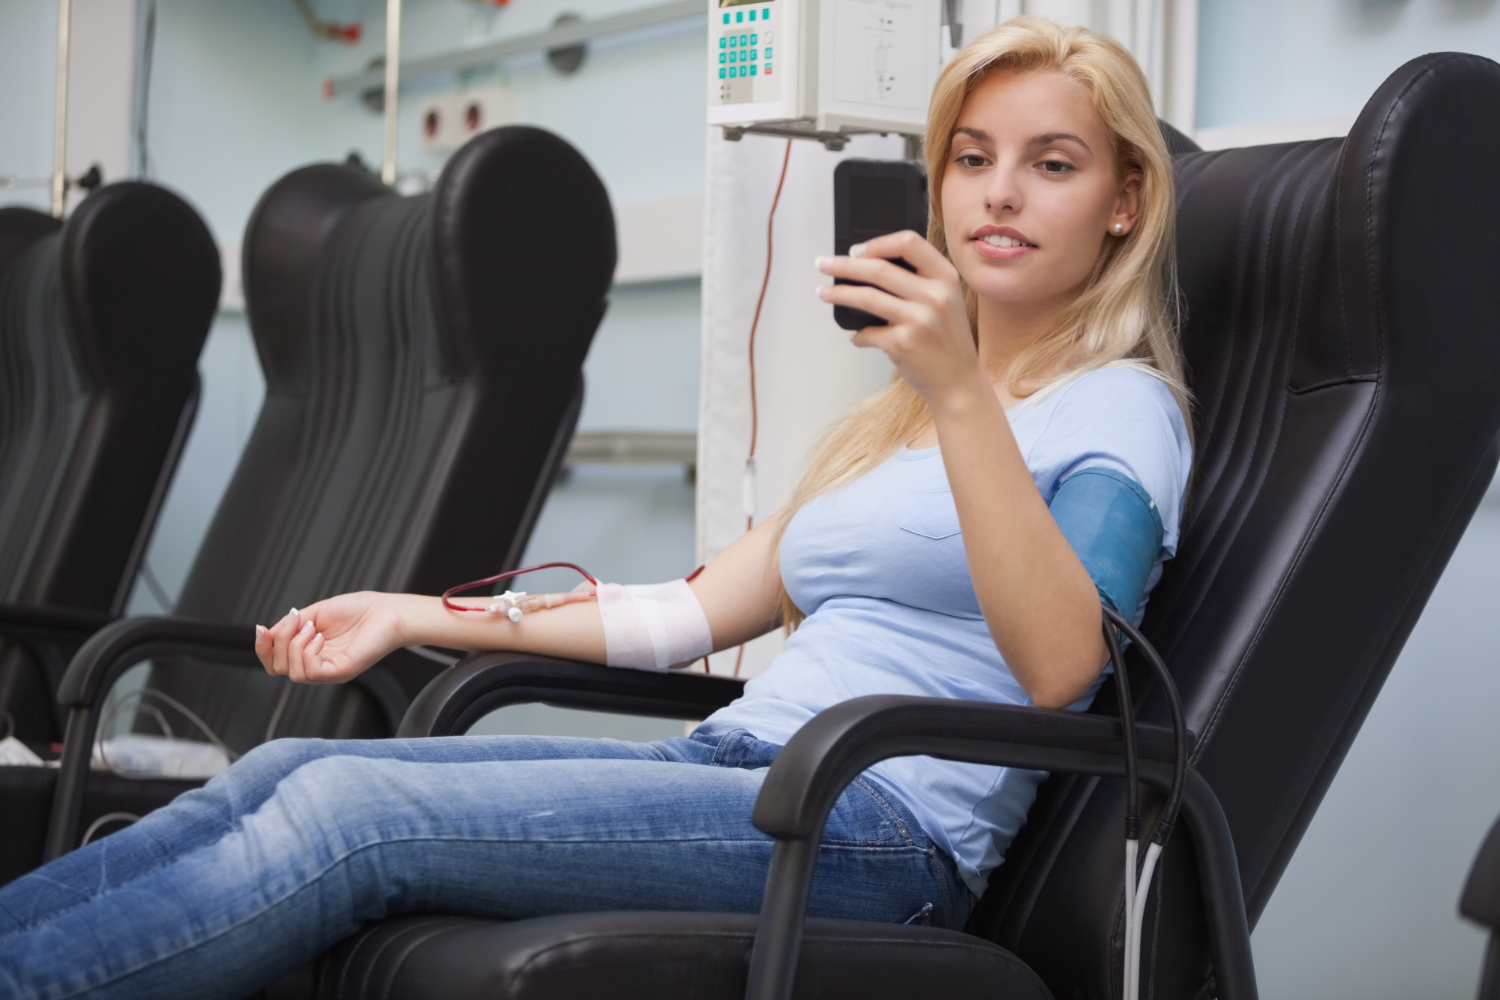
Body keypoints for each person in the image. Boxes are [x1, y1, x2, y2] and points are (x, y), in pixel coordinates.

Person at [0, 16, 1192, 999]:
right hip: (737, 768)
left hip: (871, 824)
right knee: (290, 769)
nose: (998, 194)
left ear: (1125, 201)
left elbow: (1058, 666)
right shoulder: (892, 425)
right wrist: (408, 613)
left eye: (1053, 163)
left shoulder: (1120, 410)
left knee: (351, 814)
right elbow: (678, 617)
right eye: (972, 157)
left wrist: (965, 395)